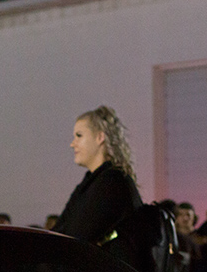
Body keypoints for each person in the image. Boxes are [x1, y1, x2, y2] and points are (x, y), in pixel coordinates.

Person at [54, 105, 142, 247]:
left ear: (100, 137)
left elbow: (78, 236)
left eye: (79, 136)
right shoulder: (92, 182)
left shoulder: (112, 182)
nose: (72, 144)